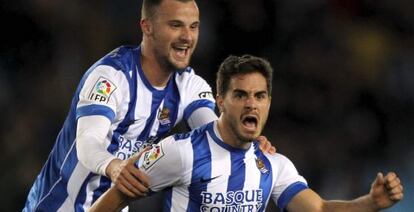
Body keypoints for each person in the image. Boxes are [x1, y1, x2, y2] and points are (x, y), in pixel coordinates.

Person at [23, 0, 275, 211]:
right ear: (147, 27)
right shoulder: (111, 76)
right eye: (176, 25)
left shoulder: (189, 85)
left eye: (194, 26)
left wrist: (244, 142)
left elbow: (214, 131)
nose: (187, 37)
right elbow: (88, 143)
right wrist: (114, 165)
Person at [89, 54, 404, 212]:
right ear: (221, 100)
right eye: (240, 95)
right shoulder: (180, 152)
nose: (251, 104)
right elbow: (115, 198)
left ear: (268, 102)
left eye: (259, 96)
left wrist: (370, 203)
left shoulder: (273, 164)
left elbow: (319, 208)